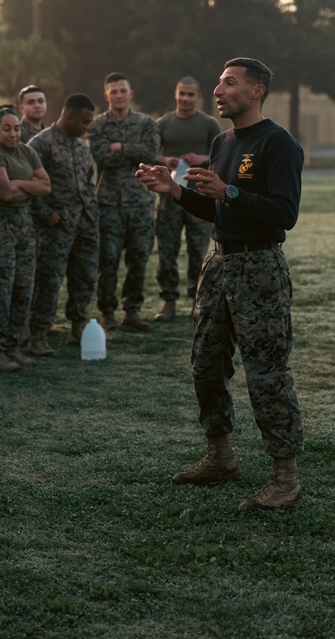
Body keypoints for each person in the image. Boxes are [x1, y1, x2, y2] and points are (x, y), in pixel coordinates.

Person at [136, 57, 305, 512]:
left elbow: (284, 214)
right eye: (218, 82)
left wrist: (228, 191)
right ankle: (220, 456)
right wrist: (174, 192)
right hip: (218, 265)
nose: (218, 89)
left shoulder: (278, 144)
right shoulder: (222, 142)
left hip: (260, 268)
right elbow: (216, 211)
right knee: (206, 364)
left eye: (230, 83)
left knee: (266, 372)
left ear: (257, 91)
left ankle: (285, 477)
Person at [0, 107, 51, 372]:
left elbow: (46, 186)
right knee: (0, 292)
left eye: (17, 128)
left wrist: (18, 184)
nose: (13, 133)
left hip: (24, 228)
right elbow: (5, 194)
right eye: (6, 128)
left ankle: (12, 346)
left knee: (22, 289)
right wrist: (25, 185)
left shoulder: (27, 151)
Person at [26, 93, 99, 352]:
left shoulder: (81, 145)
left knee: (85, 277)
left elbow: (88, 178)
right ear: (69, 116)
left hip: (86, 223)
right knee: (49, 280)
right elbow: (28, 185)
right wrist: (45, 212)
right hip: (56, 226)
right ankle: (38, 335)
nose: (88, 127)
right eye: (85, 122)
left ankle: (78, 329)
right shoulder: (41, 144)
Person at [89, 72, 159, 332]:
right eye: (113, 91)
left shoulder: (147, 123)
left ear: (131, 94)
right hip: (108, 204)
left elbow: (150, 154)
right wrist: (131, 149)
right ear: (106, 96)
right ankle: (107, 312)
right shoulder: (97, 125)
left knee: (138, 259)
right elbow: (102, 157)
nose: (118, 95)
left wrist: (119, 146)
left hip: (140, 203)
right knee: (108, 261)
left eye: (122, 90)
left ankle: (132, 310)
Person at [153, 76, 219, 322]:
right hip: (170, 196)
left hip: (199, 197)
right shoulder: (163, 124)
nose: (186, 99)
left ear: (198, 97)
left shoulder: (209, 124)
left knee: (198, 251)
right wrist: (164, 161)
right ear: (175, 94)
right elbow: (151, 154)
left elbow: (221, 154)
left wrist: (202, 158)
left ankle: (197, 300)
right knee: (167, 250)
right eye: (182, 93)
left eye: (191, 94)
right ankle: (168, 301)